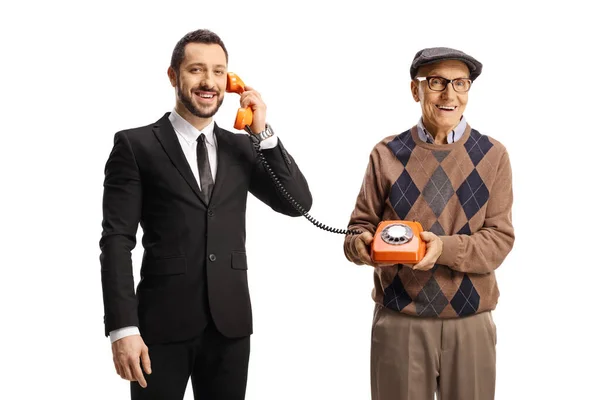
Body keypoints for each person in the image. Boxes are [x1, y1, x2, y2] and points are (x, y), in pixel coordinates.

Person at [99, 28, 312, 400]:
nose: (209, 82)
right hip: (158, 329)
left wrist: (264, 134)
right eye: (197, 70)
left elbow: (298, 204)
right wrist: (122, 328)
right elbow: (116, 242)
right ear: (173, 76)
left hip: (230, 327)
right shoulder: (135, 145)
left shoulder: (243, 148)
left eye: (218, 71)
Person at [343, 47, 514, 400]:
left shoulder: (493, 155)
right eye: (436, 82)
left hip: (471, 320)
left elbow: (499, 240)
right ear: (415, 90)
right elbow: (357, 227)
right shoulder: (385, 153)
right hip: (399, 319)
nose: (449, 95)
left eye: (461, 84)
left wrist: (444, 249)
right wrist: (360, 246)